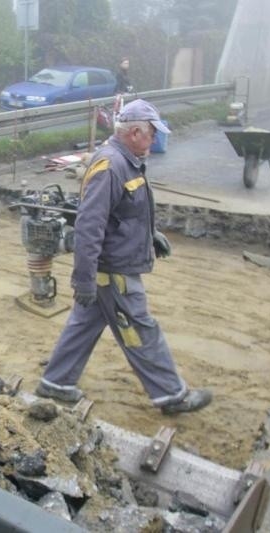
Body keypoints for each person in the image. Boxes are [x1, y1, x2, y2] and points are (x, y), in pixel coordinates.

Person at [35, 99, 212, 415]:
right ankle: (172, 396)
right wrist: (84, 280)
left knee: (84, 323)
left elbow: (126, 213)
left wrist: (150, 236)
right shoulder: (111, 166)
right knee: (141, 329)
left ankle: (56, 383)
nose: (155, 140)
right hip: (112, 271)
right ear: (134, 132)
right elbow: (90, 227)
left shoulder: (128, 160)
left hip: (112, 266)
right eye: (152, 134)